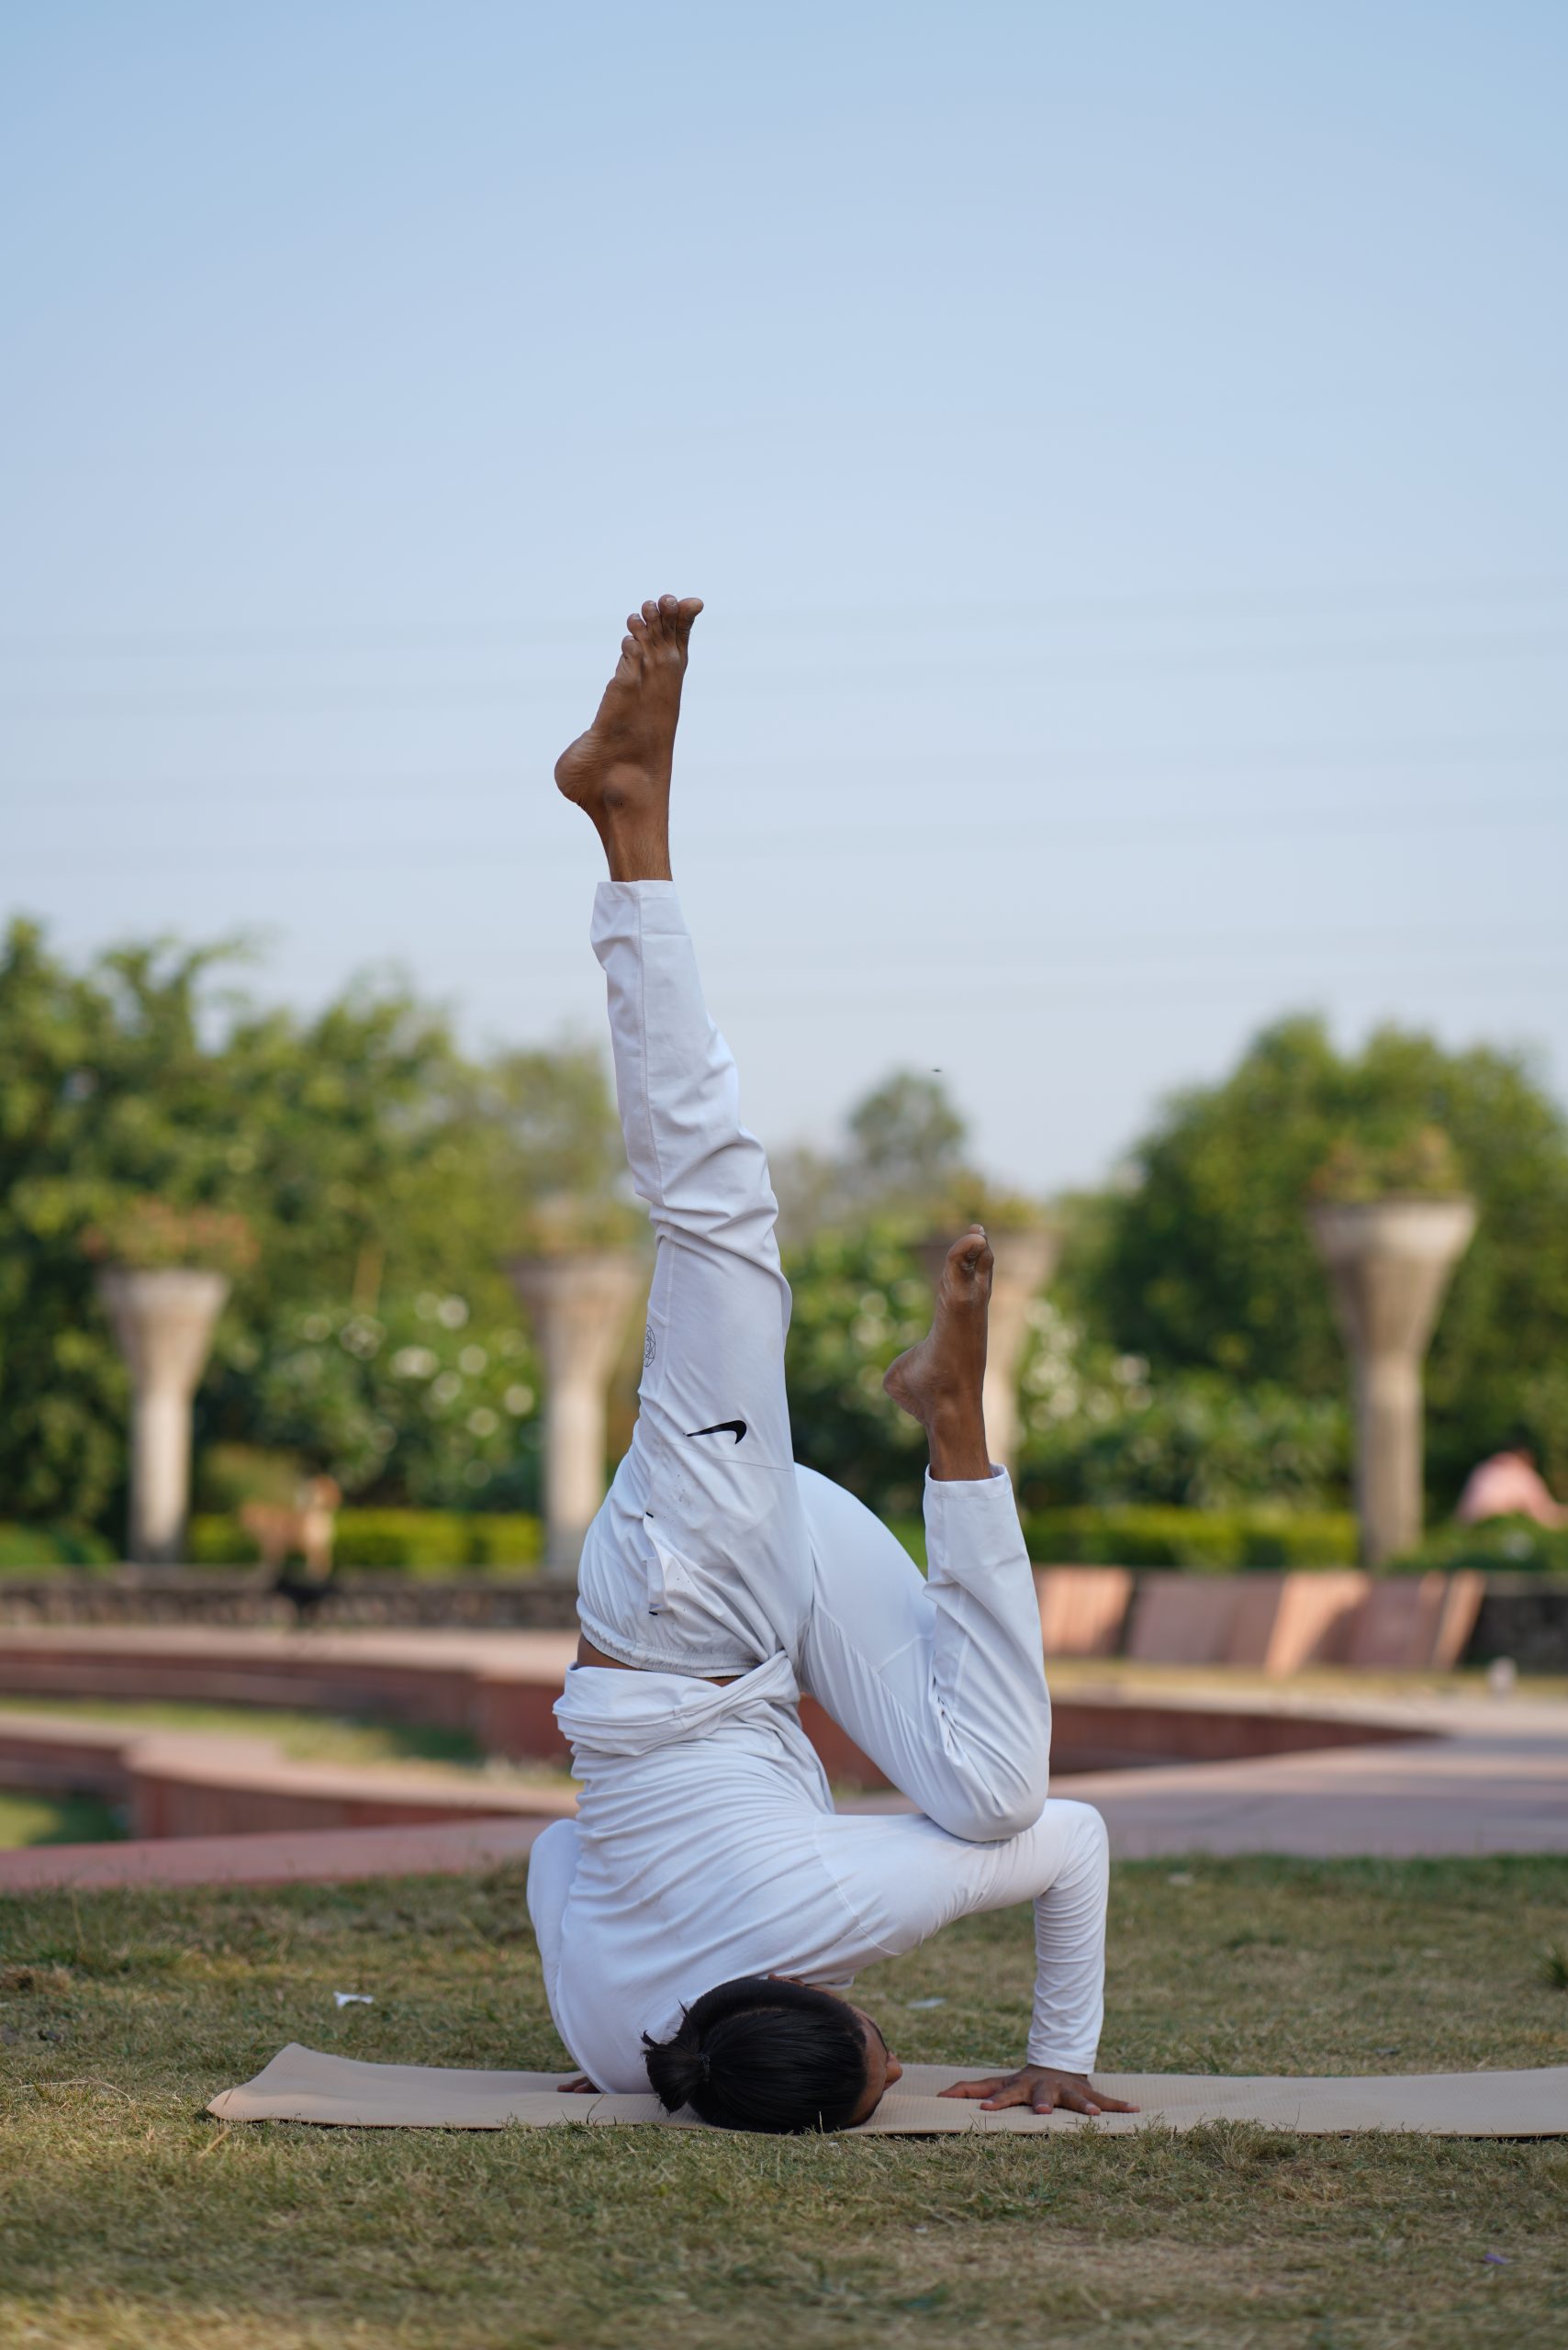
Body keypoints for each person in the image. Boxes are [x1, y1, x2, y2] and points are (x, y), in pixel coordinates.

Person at [526, 596, 1134, 2135]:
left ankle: (629, 826)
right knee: (989, 1782)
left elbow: (1079, 1846)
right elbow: (551, 1863)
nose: (889, 2030)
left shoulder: (813, 1911)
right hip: (754, 1620)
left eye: (868, 2038)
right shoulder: (616, 2046)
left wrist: (1058, 2039)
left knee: (721, 1227)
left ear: (810, 1995)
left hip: (688, 1603)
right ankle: (950, 1429)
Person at [1455, 1446, 1564, 1531]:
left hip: (1472, 1527)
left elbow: (1463, 1511)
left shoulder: (1481, 1470)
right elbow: (1544, 1513)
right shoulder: (1522, 1474)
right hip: (1500, 1528)